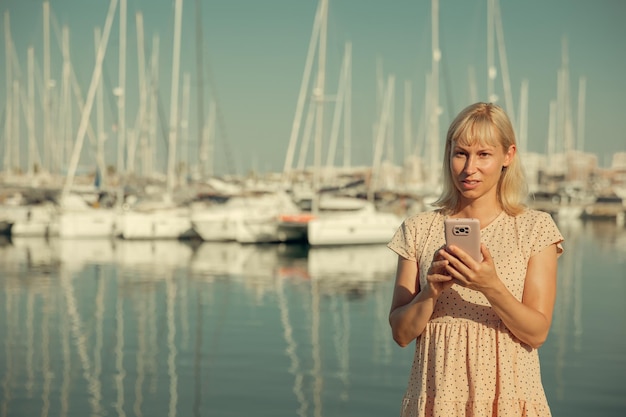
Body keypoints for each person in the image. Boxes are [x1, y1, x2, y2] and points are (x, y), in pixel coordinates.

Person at [387, 102, 564, 417]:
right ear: (449, 154)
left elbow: (537, 333)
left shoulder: (535, 228)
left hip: (509, 400)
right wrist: (431, 291)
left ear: (507, 156)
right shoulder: (418, 229)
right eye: (461, 153)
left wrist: (490, 285)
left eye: (484, 154)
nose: (470, 168)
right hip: (435, 401)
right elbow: (401, 334)